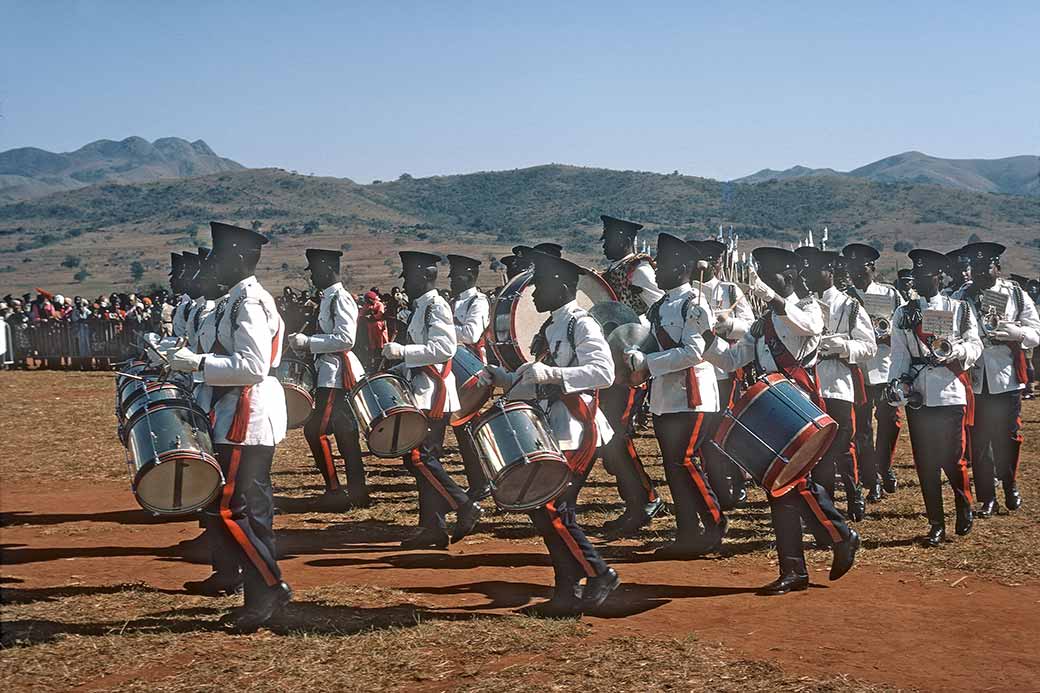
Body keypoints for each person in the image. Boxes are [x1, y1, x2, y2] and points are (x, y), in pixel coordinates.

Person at [703, 247, 860, 595]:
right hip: (770, 406)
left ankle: (837, 537)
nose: (761, 282)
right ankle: (799, 565)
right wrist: (706, 338)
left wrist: (772, 298)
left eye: (768, 276)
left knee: (793, 483)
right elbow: (731, 361)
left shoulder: (807, 309)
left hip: (799, 403)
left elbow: (809, 327)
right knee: (779, 488)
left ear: (787, 277)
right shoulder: (762, 325)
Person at [166, 221, 291, 633]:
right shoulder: (234, 300)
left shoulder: (250, 302)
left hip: (245, 416)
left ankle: (269, 586)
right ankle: (259, 594)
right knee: (248, 512)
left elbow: (253, 367)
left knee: (233, 510)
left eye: (218, 257)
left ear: (238, 259)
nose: (211, 266)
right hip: (234, 412)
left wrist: (198, 364)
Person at [481, 250, 620, 617]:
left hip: (579, 429)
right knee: (549, 512)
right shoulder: (550, 327)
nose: (533, 294)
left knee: (551, 508)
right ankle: (567, 593)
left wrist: (553, 375)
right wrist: (506, 379)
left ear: (559, 286)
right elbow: (537, 380)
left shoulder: (580, 324)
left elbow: (603, 373)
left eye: (539, 285)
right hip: (555, 429)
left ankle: (599, 573)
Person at [628, 234, 725, 557]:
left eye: (664, 263)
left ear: (682, 267)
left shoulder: (694, 305)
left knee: (685, 459)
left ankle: (714, 522)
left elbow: (695, 352)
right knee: (672, 466)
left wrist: (648, 363)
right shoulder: (658, 307)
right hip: (665, 399)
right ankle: (686, 532)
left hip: (694, 397)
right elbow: (641, 338)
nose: (656, 268)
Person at [381, 251, 483, 549]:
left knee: (419, 458)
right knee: (424, 460)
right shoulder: (422, 307)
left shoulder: (435, 306)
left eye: (410, 278)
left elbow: (443, 349)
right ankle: (432, 528)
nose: (406, 284)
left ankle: (463, 504)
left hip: (434, 393)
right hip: (422, 390)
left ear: (426, 277)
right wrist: (399, 365)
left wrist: (403, 352)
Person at [889, 248, 983, 547]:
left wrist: (954, 352)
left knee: (952, 457)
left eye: (924, 274)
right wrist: (898, 383)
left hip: (950, 390)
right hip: (919, 395)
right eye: (915, 273)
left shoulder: (960, 309)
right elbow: (899, 354)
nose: (917, 279)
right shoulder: (904, 313)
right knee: (925, 462)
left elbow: (975, 345)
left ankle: (963, 502)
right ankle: (936, 523)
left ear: (940, 277)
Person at [954, 242, 1039, 515]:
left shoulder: (1015, 293)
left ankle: (1010, 482)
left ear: (997, 268)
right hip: (975, 375)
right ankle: (987, 496)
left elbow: (1036, 331)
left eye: (985, 267)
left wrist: (1014, 333)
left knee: (1009, 435)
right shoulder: (961, 296)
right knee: (978, 439)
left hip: (1006, 375)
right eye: (975, 268)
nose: (979, 273)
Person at [596, 215, 665, 534]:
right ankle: (638, 499)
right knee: (609, 438)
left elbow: (659, 308)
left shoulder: (641, 269)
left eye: (608, 239)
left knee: (616, 435)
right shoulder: (615, 270)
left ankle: (645, 499)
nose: (604, 244)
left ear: (624, 239)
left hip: (631, 362)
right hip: (614, 362)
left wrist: (635, 333)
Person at [289, 248, 370, 509]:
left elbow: (346, 338)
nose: (311, 277)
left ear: (325, 269)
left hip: (336, 374)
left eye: (313, 271)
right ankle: (357, 492)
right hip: (330, 372)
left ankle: (336, 492)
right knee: (346, 433)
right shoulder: (328, 298)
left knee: (315, 431)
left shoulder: (340, 299)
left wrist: (308, 343)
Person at [803, 249, 878, 520]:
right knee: (816, 448)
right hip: (810, 383)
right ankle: (824, 503)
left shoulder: (850, 305)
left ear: (830, 273)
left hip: (838, 382)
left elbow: (869, 346)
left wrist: (844, 346)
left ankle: (853, 492)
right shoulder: (802, 304)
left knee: (843, 446)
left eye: (815, 272)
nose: (809, 277)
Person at [691, 238, 755, 510]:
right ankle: (714, 483)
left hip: (724, 368)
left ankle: (738, 482)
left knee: (727, 429)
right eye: (708, 259)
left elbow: (752, 326)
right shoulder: (689, 294)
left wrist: (729, 326)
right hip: (695, 370)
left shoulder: (731, 291)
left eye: (717, 260)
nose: (713, 264)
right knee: (704, 434)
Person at [843, 243, 903, 501]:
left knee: (890, 422)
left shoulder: (890, 294)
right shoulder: (844, 296)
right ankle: (871, 478)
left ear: (872, 268)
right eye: (852, 267)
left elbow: (904, 327)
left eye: (862, 267)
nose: (857, 272)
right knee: (863, 428)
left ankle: (884, 466)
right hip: (858, 370)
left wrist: (890, 333)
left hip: (886, 367)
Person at [447, 254, 493, 500]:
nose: (451, 279)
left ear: (471, 276)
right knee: (463, 429)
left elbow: (471, 334)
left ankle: (483, 481)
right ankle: (479, 481)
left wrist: (440, 329)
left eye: (456, 275)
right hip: (454, 371)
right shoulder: (453, 302)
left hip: (473, 371)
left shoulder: (478, 301)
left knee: (470, 429)